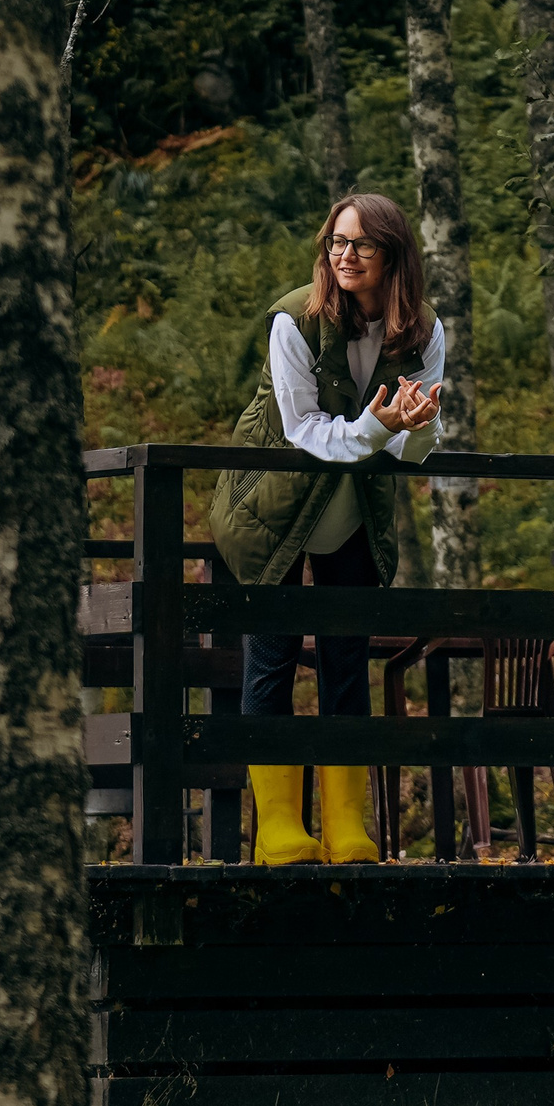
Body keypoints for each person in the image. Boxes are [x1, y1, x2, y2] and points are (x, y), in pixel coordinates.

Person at [208, 193, 443, 865]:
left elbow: (409, 446)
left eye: (360, 244)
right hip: (272, 499)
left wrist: (419, 429)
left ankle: (346, 825)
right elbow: (304, 431)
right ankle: (278, 827)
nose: (342, 255)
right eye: (336, 242)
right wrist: (382, 428)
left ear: (392, 255)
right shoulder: (295, 320)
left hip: (351, 508)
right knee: (272, 655)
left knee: (346, 662)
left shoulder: (424, 332)